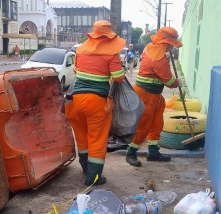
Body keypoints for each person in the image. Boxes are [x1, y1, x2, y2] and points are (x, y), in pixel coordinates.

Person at [65, 20, 126, 186]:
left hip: (75, 100)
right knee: (97, 139)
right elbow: (118, 77)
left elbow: (76, 70)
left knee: (82, 137)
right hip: (96, 102)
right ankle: (94, 177)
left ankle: (85, 168)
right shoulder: (111, 54)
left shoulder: (81, 50)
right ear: (108, 36)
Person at [125, 27, 182, 167]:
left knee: (157, 123)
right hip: (145, 95)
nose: (171, 47)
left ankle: (153, 152)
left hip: (155, 96)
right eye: (171, 45)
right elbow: (168, 81)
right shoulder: (160, 59)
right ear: (166, 43)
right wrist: (177, 82)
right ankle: (131, 152)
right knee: (143, 125)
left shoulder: (150, 48)